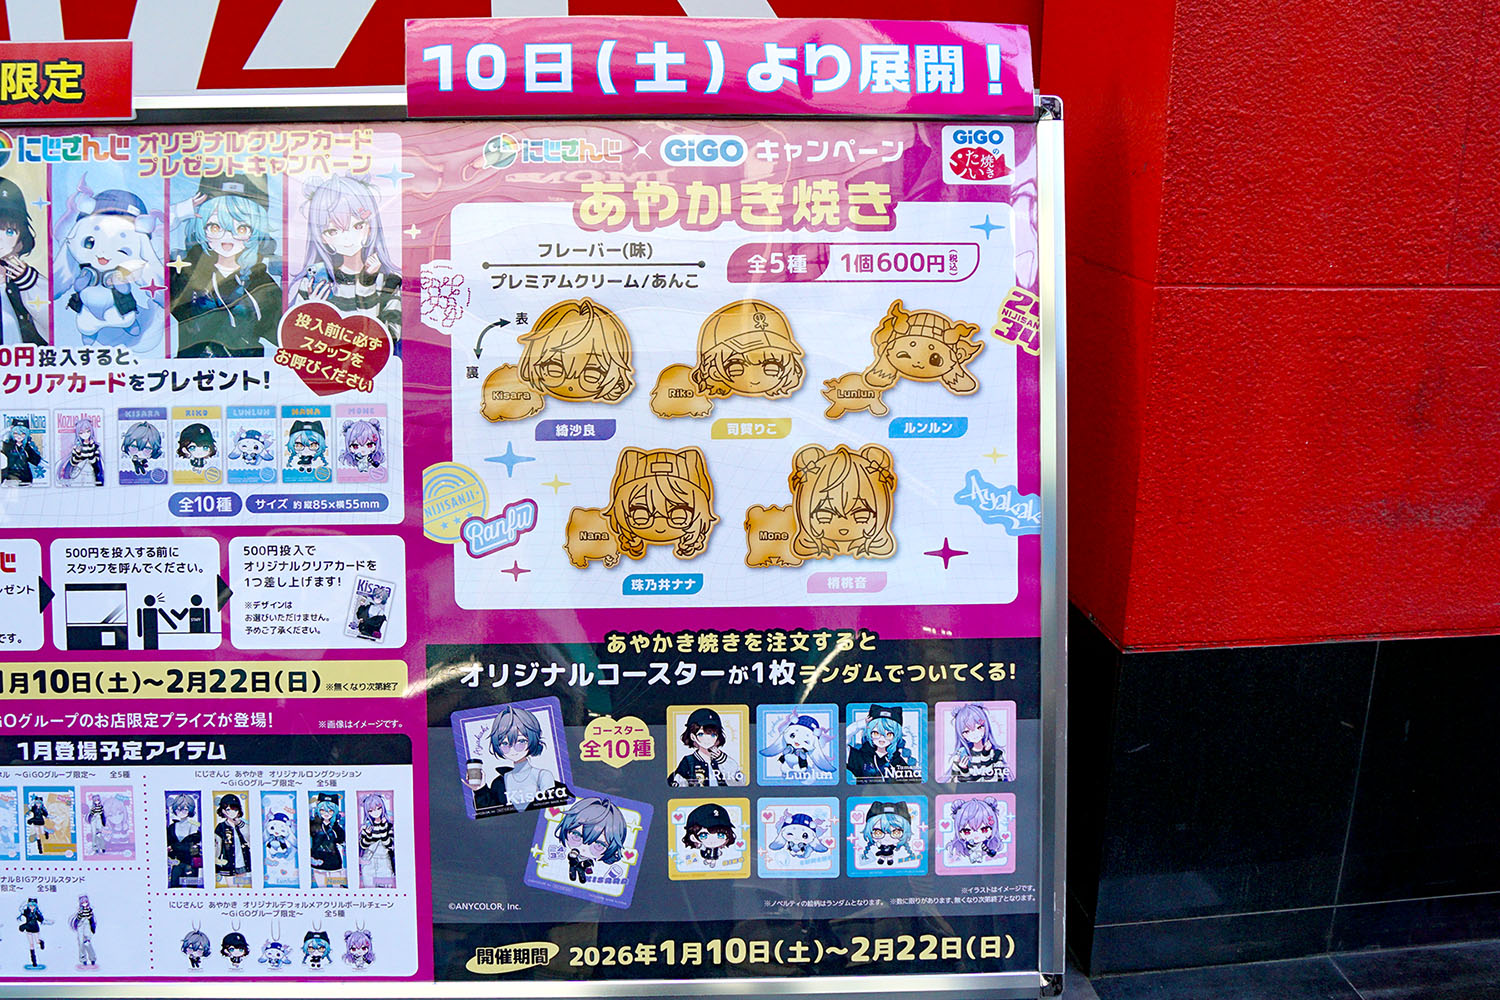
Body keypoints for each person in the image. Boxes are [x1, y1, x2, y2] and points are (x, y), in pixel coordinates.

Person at [169, 174, 281, 357]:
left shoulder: (261, 282)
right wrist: (177, 214)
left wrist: (306, 303)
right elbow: (146, 258)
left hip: (248, 371)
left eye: (242, 229)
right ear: (201, 227)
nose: (227, 239)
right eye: (215, 227)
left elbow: (283, 333)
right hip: (193, 370)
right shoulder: (185, 273)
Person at [467, 705, 560, 812]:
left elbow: (551, 811)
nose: (513, 749)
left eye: (521, 741)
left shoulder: (543, 776)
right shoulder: (499, 782)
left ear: (532, 740)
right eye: (505, 743)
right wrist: (480, 790)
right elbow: (489, 812)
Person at [0, 176, 44, 345]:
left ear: (20, 242)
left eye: (9, 231)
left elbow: (53, 325)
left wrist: (29, 282)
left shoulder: (27, 282)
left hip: (25, 359)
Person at [670, 707, 745, 787]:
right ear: (693, 736)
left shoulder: (724, 760)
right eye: (701, 734)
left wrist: (723, 760)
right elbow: (676, 785)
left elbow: (740, 783)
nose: (708, 739)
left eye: (713, 735)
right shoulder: (688, 762)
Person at [309, 793, 346, 887]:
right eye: (323, 810)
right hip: (317, 859)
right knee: (321, 887)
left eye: (330, 811)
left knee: (337, 887)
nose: (326, 813)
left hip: (333, 860)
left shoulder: (336, 827)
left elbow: (342, 839)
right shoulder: (314, 824)